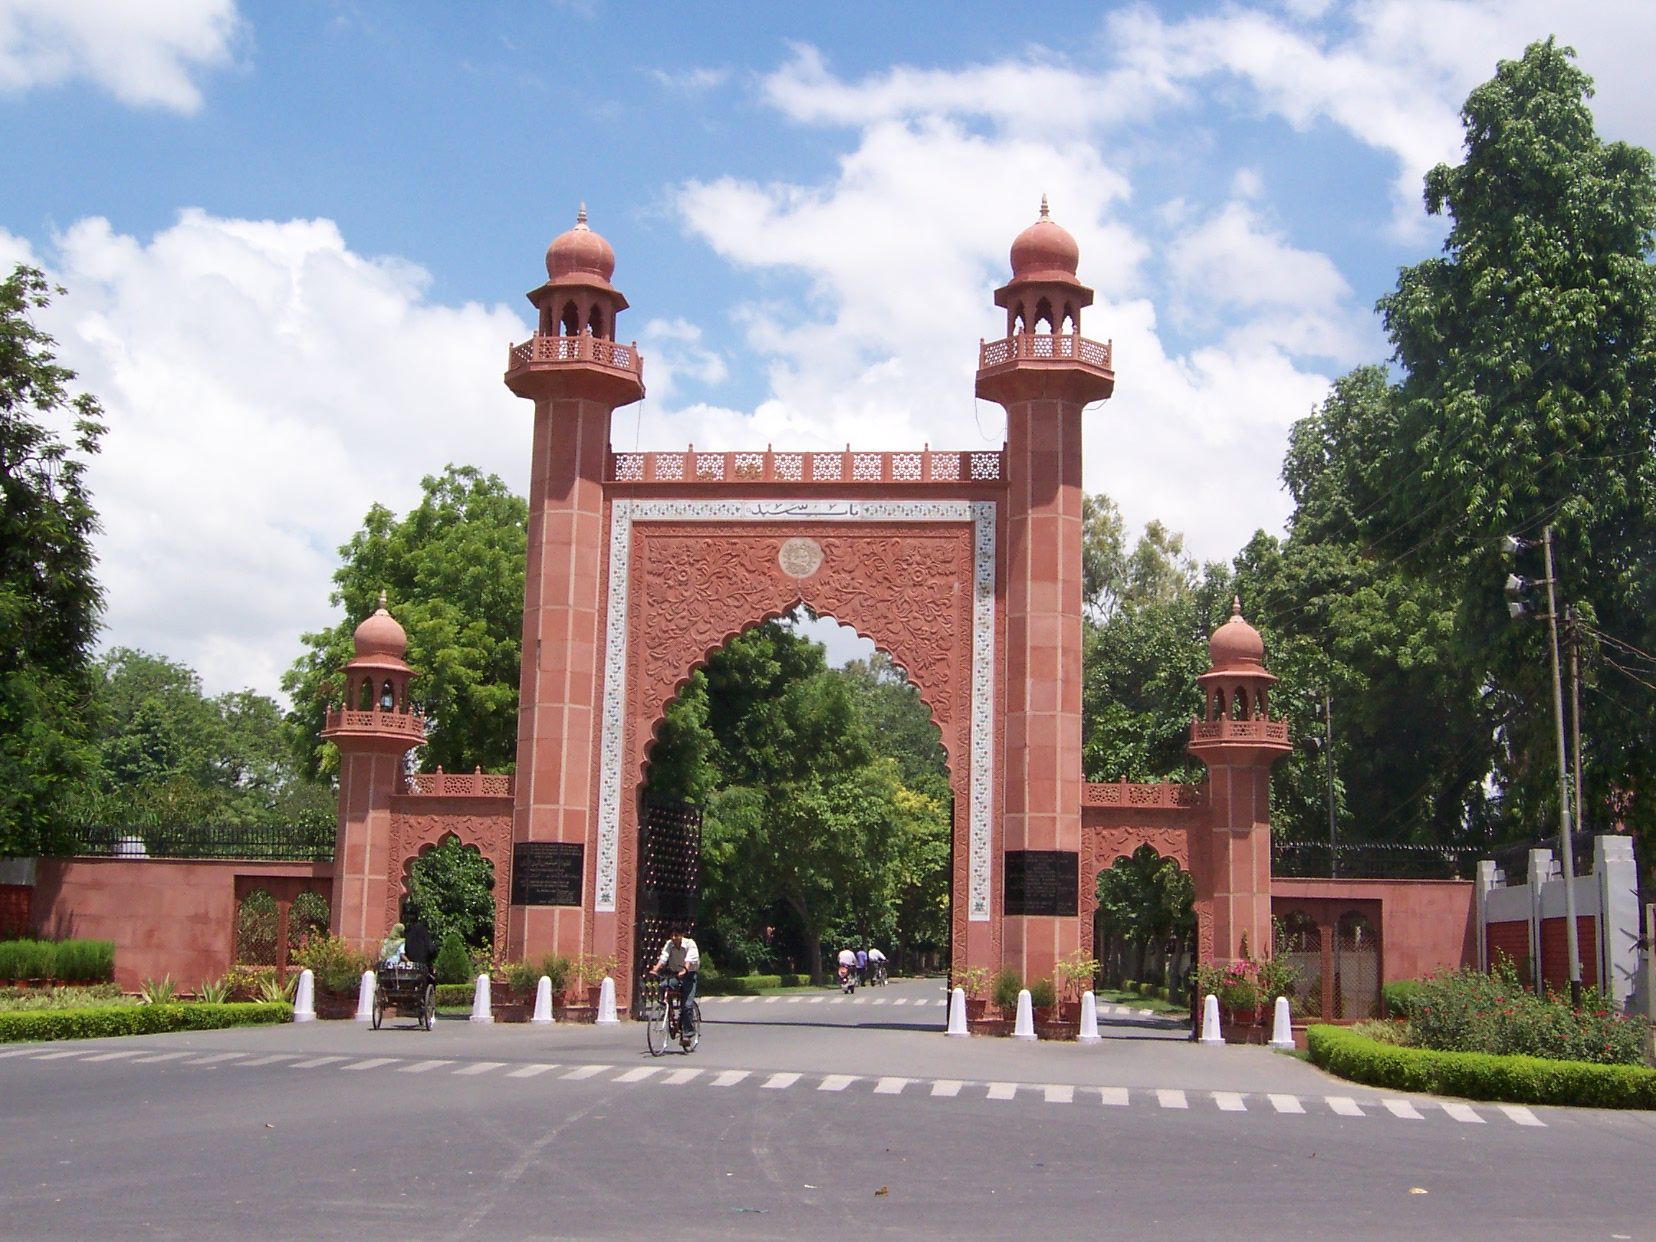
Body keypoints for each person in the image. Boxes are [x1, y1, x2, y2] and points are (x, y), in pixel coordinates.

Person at [650, 926, 700, 1034]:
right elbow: (664, 957)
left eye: (676, 935)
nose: (673, 937)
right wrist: (655, 969)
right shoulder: (669, 944)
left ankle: (688, 1032)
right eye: (672, 935)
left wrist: (685, 970)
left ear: (682, 935)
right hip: (676, 974)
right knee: (663, 985)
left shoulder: (690, 944)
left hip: (689, 975)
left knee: (687, 1005)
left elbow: (689, 959)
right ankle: (668, 1009)